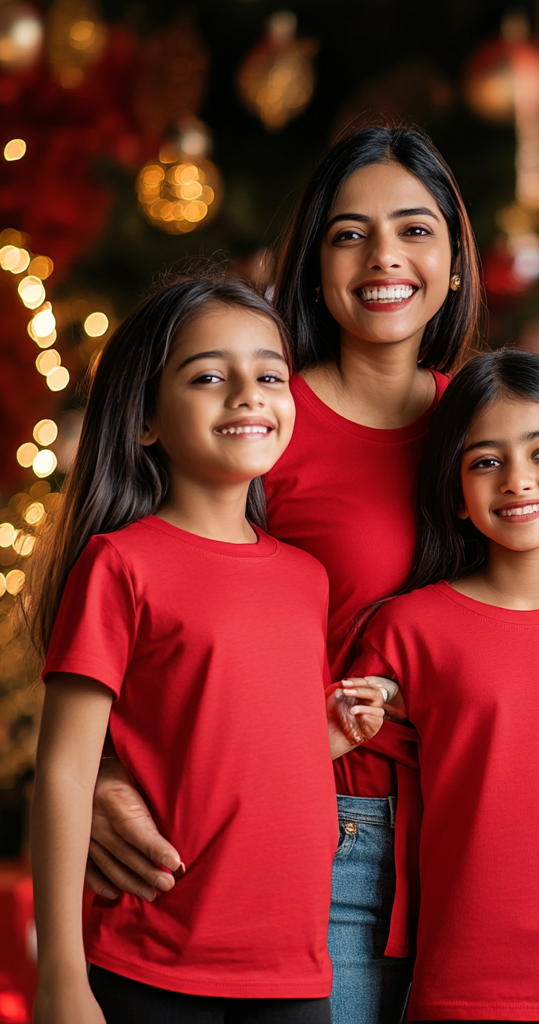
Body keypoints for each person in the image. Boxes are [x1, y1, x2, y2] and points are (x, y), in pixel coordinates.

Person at [83, 125, 484, 1024]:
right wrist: (106, 774)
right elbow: (146, 595)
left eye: (416, 229)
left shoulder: (499, 426)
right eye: (349, 233)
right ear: (311, 264)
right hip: (320, 841)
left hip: (486, 835)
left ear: (457, 261)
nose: (385, 256)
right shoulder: (256, 416)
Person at [30, 273, 387, 1024]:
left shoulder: (305, 577)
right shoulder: (119, 564)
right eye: (207, 376)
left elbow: (228, 745)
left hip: (295, 970)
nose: (248, 394)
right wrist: (62, 978)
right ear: (146, 420)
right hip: (153, 960)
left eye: (268, 374)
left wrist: (323, 734)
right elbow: (64, 774)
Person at [345, 349, 539, 1023]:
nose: (517, 479)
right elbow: (317, 756)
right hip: (461, 982)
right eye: (486, 462)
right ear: (456, 493)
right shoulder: (406, 629)